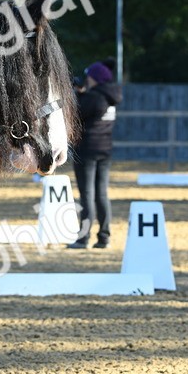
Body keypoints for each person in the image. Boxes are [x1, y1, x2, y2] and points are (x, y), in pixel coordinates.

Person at [68, 61, 122, 249]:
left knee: (87, 195)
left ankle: (83, 238)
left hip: (87, 150)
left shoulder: (94, 98)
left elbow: (74, 114)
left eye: (89, 76)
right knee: (101, 194)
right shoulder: (110, 97)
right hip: (105, 150)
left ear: (96, 78)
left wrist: (75, 93)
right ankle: (104, 236)